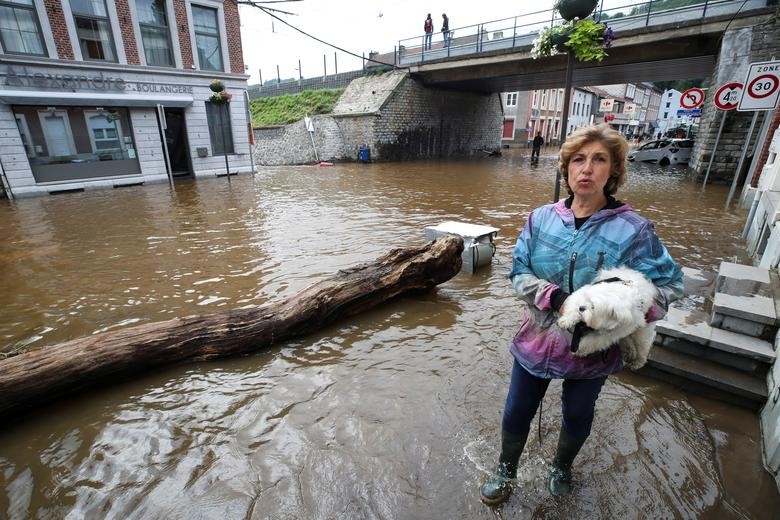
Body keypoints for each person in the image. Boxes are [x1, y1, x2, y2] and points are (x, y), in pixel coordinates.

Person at [479, 124, 684, 506]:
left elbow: (671, 284)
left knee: (577, 412)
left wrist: (629, 311)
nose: (586, 168)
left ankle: (561, 467)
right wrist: (556, 299)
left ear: (614, 171)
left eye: (599, 160)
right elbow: (518, 270)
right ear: (567, 168)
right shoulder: (540, 219)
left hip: (595, 349)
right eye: (578, 159)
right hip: (538, 337)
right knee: (517, 408)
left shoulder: (635, 230)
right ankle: (506, 468)